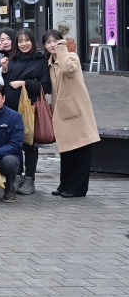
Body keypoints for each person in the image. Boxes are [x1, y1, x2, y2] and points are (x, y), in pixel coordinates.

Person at [41, 30, 101, 198]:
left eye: (56, 41)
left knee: (81, 149)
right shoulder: (50, 62)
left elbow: (68, 70)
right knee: (66, 150)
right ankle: (65, 184)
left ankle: (79, 188)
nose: (53, 44)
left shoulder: (71, 57)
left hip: (77, 110)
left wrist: (62, 48)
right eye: (49, 42)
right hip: (62, 111)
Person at [1, 29, 47, 195]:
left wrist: (24, 83)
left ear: (33, 42)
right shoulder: (13, 59)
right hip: (11, 109)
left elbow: (45, 86)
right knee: (14, 143)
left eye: (27, 40)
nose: (23, 44)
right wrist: (5, 70)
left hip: (29, 107)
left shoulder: (40, 60)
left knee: (29, 144)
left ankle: (29, 178)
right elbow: (7, 83)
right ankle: (17, 176)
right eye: (20, 41)